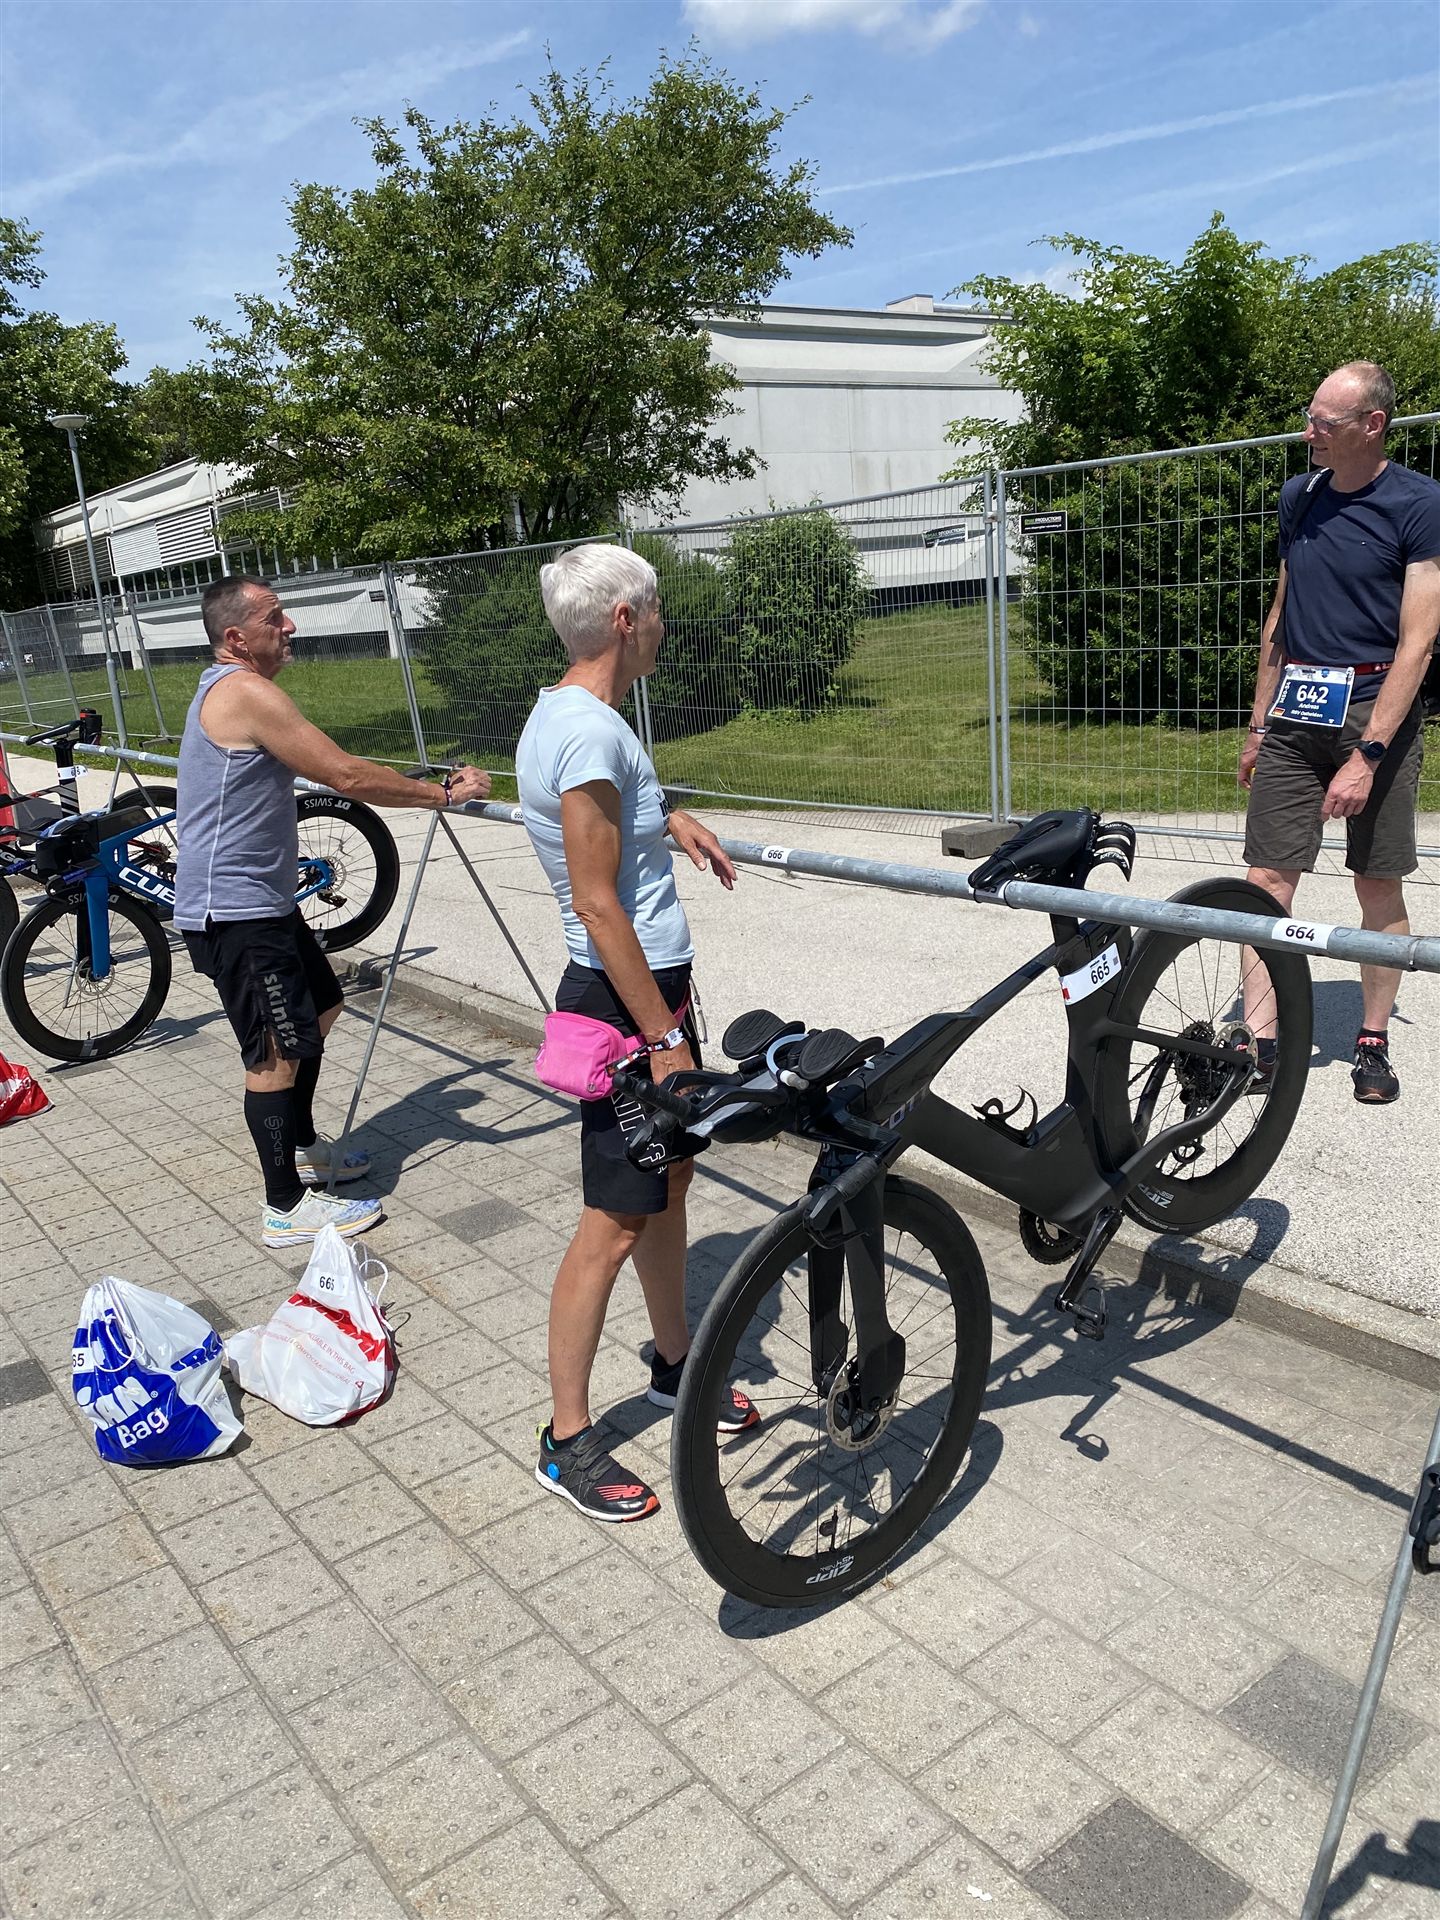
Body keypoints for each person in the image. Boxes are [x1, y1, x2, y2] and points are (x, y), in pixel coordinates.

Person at [517, 543, 754, 1523]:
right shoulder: (586, 734)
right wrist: (662, 1038)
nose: (662, 626)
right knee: (611, 1223)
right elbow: (595, 900)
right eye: (655, 611)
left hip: (649, 991)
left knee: (670, 1185)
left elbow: (609, 837)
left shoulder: (579, 717)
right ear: (625, 620)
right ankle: (566, 1440)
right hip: (625, 1003)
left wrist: (667, 818)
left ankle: (675, 1363)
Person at [174, 575, 490, 1246]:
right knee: (273, 1053)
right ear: (236, 638)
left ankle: (301, 1146)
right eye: (274, 617)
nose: (289, 626)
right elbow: (343, 775)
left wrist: (418, 781)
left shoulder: (233, 688)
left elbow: (334, 763)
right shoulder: (245, 692)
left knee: (320, 1007)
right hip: (235, 911)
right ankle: (285, 1207)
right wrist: (442, 795)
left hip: (262, 903)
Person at [1238, 361, 1440, 1104]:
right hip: (1298, 708)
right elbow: (1281, 615)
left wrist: (1369, 754)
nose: (1309, 432)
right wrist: (1258, 724)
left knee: (1375, 880)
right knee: (1265, 879)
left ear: (1372, 425)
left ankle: (1372, 1038)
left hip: (1376, 707)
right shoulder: (1300, 497)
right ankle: (1258, 1041)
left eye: (1325, 422)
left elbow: (1419, 642)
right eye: (1310, 416)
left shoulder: (1420, 504)